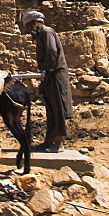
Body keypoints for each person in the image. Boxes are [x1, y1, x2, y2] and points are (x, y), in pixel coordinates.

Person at [21, 10, 73, 153]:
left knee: (58, 109)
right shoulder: (41, 35)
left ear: (34, 23)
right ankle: (48, 141)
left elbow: (51, 52)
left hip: (55, 75)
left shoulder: (46, 32)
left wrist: (45, 70)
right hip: (49, 75)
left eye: (27, 26)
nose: (27, 30)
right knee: (50, 109)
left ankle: (58, 143)